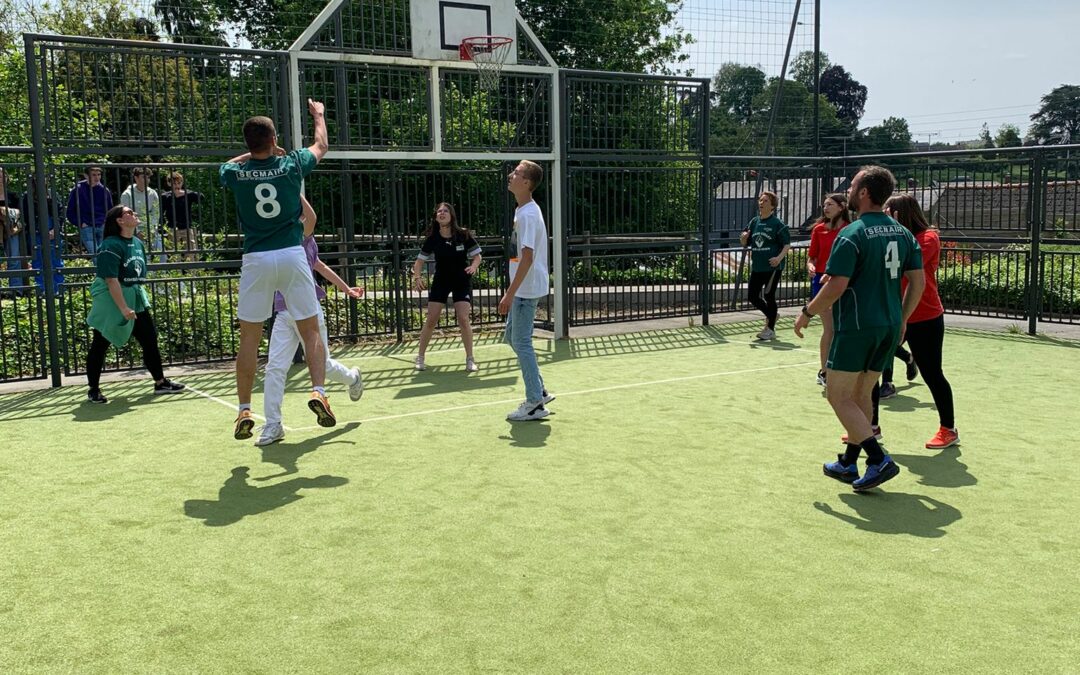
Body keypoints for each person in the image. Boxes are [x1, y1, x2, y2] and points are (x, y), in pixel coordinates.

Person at [794, 165, 925, 491]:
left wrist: (808, 312)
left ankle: (877, 458)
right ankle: (850, 462)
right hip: (889, 325)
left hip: (856, 326)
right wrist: (903, 318)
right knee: (861, 393)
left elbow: (837, 285)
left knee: (836, 395)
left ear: (864, 192)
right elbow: (918, 283)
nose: (849, 190)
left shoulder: (852, 234)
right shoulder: (903, 233)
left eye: (852, 185)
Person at [220, 99, 331, 440]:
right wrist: (318, 115)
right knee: (310, 328)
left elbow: (226, 165)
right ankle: (318, 391)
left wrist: (251, 155)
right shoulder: (291, 164)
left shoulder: (236, 172)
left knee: (249, 339)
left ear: (248, 144)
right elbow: (322, 145)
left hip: (256, 258)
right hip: (291, 254)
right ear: (274, 140)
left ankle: (243, 410)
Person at [258, 195, 365, 446]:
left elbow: (318, 260)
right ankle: (273, 424)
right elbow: (319, 265)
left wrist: (290, 184)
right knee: (275, 367)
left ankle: (352, 378)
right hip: (284, 312)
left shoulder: (302, 236)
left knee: (322, 365)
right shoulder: (276, 239)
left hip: (309, 310)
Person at [85, 205, 185, 403]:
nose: (134, 215)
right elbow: (111, 280)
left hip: (135, 298)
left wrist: (134, 301)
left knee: (150, 339)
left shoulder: (137, 243)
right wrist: (123, 308)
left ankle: (160, 382)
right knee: (101, 343)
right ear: (119, 221)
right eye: (129, 213)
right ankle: (93, 389)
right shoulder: (110, 245)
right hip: (112, 300)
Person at [884, 193, 958, 449]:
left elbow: (905, 264)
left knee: (933, 374)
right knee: (870, 369)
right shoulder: (891, 237)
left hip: (924, 316)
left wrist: (893, 232)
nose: (884, 216)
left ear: (901, 213)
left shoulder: (928, 238)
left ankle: (948, 429)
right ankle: (868, 428)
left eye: (888, 212)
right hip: (893, 314)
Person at [499, 160, 554, 422]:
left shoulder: (529, 215)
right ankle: (539, 391)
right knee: (512, 338)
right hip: (523, 287)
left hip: (526, 289)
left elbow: (528, 256)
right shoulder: (522, 211)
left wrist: (510, 293)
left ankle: (534, 400)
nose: (511, 175)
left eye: (517, 173)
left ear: (527, 183)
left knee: (521, 341)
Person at [411, 202, 483, 372]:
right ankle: (420, 357)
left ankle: (470, 359)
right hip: (441, 280)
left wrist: (473, 267)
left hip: (461, 280)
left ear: (451, 215)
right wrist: (417, 277)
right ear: (436, 217)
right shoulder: (433, 238)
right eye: (439, 212)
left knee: (463, 318)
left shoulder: (463, 234)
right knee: (431, 319)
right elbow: (419, 261)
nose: (441, 213)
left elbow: (477, 256)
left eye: (445, 211)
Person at [806, 192, 849, 385]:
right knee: (829, 329)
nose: (826, 208)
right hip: (821, 282)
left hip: (843, 281)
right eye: (824, 205)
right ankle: (824, 371)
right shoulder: (818, 230)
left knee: (844, 330)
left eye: (830, 204)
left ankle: (844, 370)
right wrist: (810, 266)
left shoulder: (850, 230)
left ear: (842, 207)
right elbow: (812, 256)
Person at [740, 190, 790, 341]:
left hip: (772, 267)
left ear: (773, 205)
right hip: (757, 266)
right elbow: (745, 243)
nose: (761, 203)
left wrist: (778, 258)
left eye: (765, 201)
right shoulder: (754, 222)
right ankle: (772, 315)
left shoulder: (777, 224)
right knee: (752, 296)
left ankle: (770, 329)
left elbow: (787, 244)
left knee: (769, 296)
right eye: (760, 200)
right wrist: (743, 238)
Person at [21, 175, 65, 291]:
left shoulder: (52, 194)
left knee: (56, 262)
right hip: (36, 233)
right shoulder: (27, 197)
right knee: (38, 263)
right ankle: (42, 291)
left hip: (53, 231)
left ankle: (58, 290)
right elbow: (25, 217)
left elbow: (60, 213)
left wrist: (56, 229)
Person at [66, 165, 112, 257]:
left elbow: (110, 210)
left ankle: (101, 271)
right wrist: (80, 223)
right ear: (86, 176)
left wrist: (105, 222)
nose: (97, 177)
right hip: (87, 226)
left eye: (99, 174)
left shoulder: (104, 190)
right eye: (94, 175)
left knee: (104, 254)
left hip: (102, 225)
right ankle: (101, 271)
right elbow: (70, 211)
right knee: (96, 254)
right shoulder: (78, 189)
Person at [120, 167, 163, 263]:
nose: (147, 180)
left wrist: (152, 229)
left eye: (148, 178)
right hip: (134, 231)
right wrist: (137, 231)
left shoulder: (153, 193)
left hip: (151, 229)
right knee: (142, 256)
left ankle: (160, 276)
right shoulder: (127, 194)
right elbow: (126, 215)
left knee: (161, 254)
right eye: (144, 177)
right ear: (136, 178)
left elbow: (156, 213)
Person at [161, 171, 202, 261]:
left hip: (187, 228)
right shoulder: (165, 196)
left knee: (190, 254)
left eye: (179, 183)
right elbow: (161, 212)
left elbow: (201, 197)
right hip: (172, 228)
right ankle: (177, 274)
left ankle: (191, 274)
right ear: (169, 183)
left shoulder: (187, 194)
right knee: (174, 256)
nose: (177, 185)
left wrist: (185, 193)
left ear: (182, 182)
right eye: (174, 183)